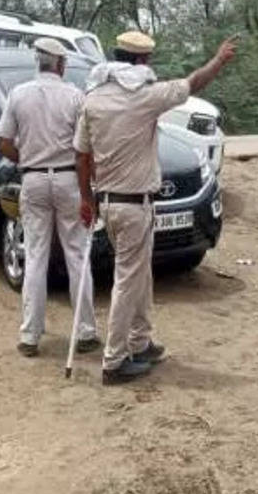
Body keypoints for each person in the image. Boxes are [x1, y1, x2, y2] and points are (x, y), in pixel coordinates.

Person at [75, 30, 237, 385]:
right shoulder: (146, 97)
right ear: (143, 61)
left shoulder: (93, 99)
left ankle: (140, 340)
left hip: (109, 204)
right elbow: (194, 83)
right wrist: (219, 59)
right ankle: (115, 360)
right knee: (128, 281)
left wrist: (86, 199)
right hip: (134, 205)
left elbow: (81, 155)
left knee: (137, 274)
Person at [0, 37, 100, 358]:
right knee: (77, 256)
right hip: (69, 177)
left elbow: (3, 141)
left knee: (36, 256)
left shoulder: (18, 94)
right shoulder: (75, 97)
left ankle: (30, 334)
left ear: (38, 63)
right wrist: (89, 192)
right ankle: (85, 331)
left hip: (34, 178)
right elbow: (87, 148)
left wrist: (27, 159)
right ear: (61, 64)